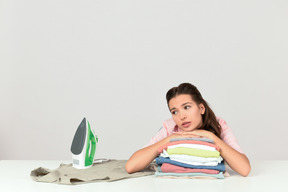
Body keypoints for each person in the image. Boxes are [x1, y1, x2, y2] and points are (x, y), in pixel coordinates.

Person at [125, 83, 251, 176]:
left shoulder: (219, 125)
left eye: (186, 107)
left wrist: (211, 137)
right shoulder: (170, 128)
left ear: (201, 108)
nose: (181, 116)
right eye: (174, 112)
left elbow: (244, 169)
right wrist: (169, 139)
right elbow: (131, 166)